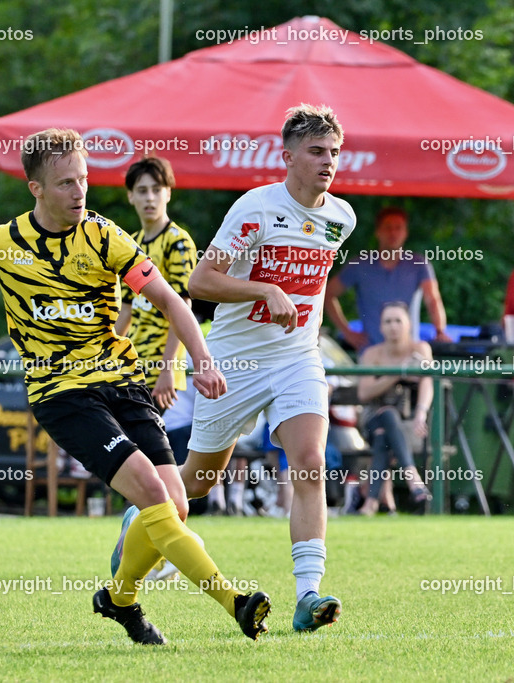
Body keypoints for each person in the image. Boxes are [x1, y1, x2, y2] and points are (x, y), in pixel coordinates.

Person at [0, 127, 271, 644]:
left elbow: (171, 300)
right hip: (61, 393)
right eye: (66, 183)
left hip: (121, 379)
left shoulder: (106, 236)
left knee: (174, 505)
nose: (79, 192)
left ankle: (119, 600)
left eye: (84, 180)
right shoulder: (5, 243)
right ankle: (235, 601)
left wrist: (201, 359)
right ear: (36, 188)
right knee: (155, 494)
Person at [178, 104, 353, 633]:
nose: (327, 163)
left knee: (309, 463)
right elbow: (200, 283)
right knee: (198, 482)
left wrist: (304, 322)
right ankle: (144, 514)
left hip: (298, 357)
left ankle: (307, 597)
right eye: (317, 152)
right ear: (289, 156)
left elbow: (316, 288)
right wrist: (264, 288)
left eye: (334, 153)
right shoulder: (254, 209)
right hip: (236, 361)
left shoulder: (341, 218)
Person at [115, 156, 197, 411]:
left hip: (160, 368)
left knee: (141, 443)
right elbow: (126, 310)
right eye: (142, 191)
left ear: (168, 194)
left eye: (156, 190)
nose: (150, 198)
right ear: (130, 196)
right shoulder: (131, 243)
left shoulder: (179, 242)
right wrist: (103, 358)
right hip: (131, 367)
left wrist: (167, 369)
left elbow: (182, 308)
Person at [325, 207, 452, 350]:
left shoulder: (419, 264)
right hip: (370, 355)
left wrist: (440, 331)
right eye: (388, 227)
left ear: (405, 233)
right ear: (377, 232)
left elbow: (433, 299)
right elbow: (327, 294)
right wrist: (347, 333)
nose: (393, 233)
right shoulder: (359, 265)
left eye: (398, 228)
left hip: (408, 354)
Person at [355, 302, 433, 515]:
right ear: (380, 327)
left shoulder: (421, 349)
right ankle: (413, 479)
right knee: (386, 416)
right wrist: (398, 372)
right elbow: (364, 393)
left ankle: (370, 504)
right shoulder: (371, 354)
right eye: (387, 321)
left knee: (384, 436)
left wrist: (421, 413)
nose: (393, 326)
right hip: (371, 420)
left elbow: (427, 383)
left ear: (409, 324)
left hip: (410, 425)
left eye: (398, 320)